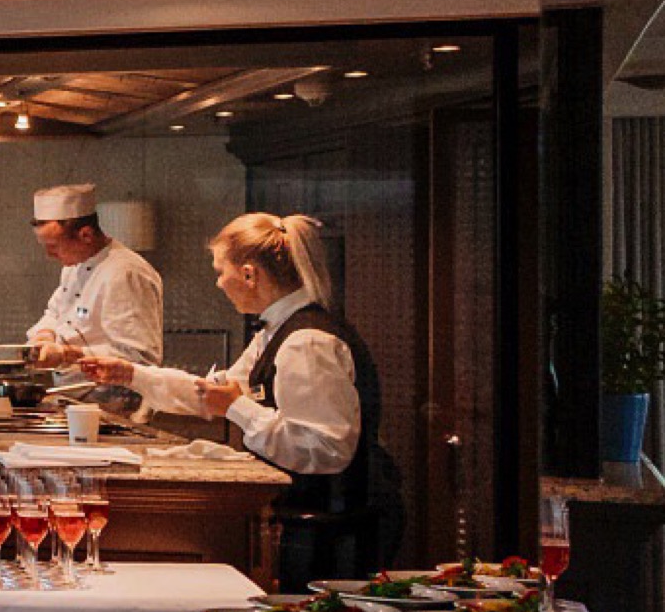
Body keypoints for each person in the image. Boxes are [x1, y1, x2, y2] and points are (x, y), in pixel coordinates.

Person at [78, 211, 400, 580]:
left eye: (220, 271)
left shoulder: (307, 341)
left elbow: (325, 448)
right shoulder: (275, 331)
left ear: (249, 274)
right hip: (309, 520)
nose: (218, 283)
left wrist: (238, 408)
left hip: (330, 529)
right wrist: (131, 375)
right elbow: (215, 393)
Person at [21, 184, 164, 368]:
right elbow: (55, 313)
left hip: (109, 387)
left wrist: (67, 355)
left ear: (86, 235)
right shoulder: (73, 268)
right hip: (71, 384)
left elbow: (139, 356)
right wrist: (45, 334)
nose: (49, 254)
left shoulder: (126, 273)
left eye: (54, 246)